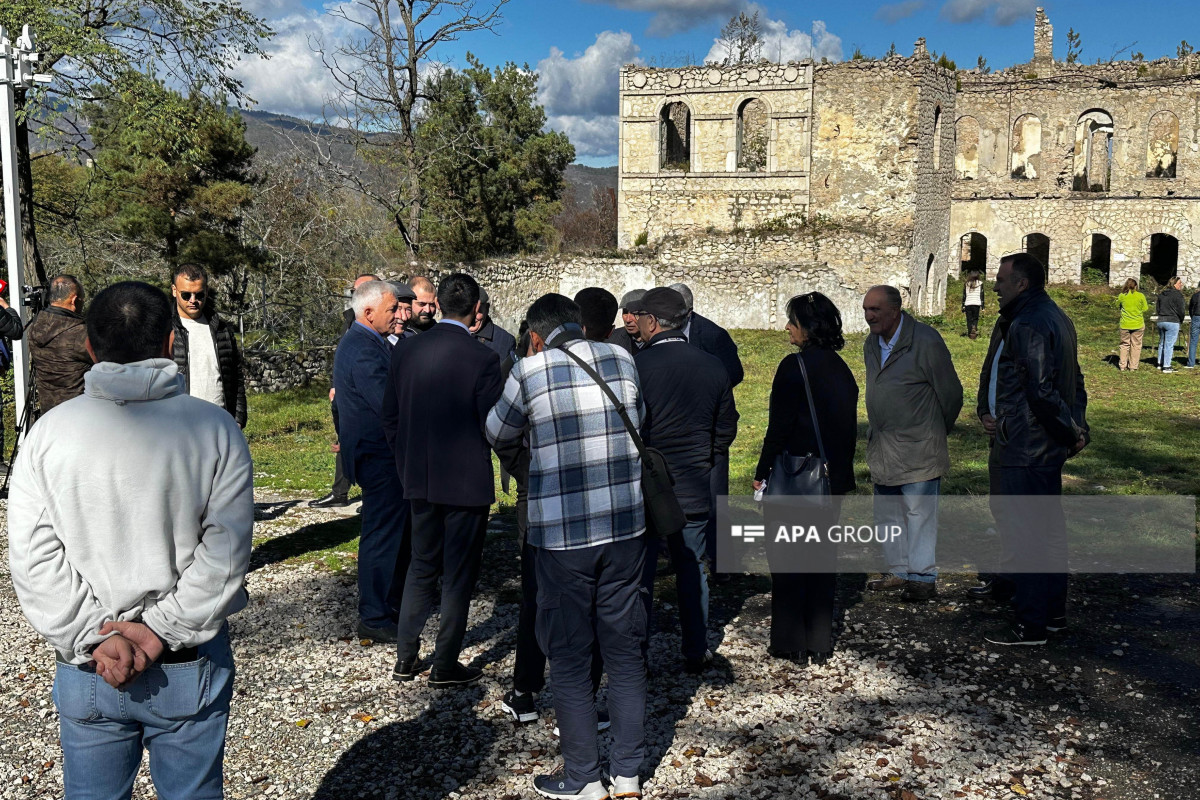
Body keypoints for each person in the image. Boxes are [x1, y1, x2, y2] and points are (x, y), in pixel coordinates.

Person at [8, 281, 254, 799]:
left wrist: (95, 634)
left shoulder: (48, 436)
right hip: (187, 660)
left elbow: (32, 558)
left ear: (91, 349)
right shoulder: (215, 430)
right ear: (170, 342)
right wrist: (158, 629)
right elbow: (225, 551)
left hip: (89, 667)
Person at [487, 293, 647, 800]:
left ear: (535, 336)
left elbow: (496, 430)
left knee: (571, 658)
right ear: (577, 325)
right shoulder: (622, 357)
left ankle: (582, 778)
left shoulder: (530, 372)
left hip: (562, 538)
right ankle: (627, 775)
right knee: (624, 655)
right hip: (627, 529)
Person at [385, 273, 503, 687]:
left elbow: (391, 416)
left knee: (421, 565)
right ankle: (445, 663)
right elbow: (494, 425)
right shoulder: (483, 359)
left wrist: (405, 462)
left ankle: (405, 656)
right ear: (475, 311)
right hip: (466, 481)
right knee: (457, 575)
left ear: (438, 303)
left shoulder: (406, 352)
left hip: (419, 475)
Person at [977, 252, 1088, 646]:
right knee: (1047, 532)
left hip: (1027, 445)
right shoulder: (1053, 315)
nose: (995, 286)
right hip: (1038, 443)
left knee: (1029, 536)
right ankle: (1051, 615)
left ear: (1022, 283)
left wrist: (1069, 430)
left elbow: (1041, 390)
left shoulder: (1029, 322)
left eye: (1002, 280)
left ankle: (1031, 624)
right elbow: (1073, 380)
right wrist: (1076, 427)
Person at [631, 287, 738, 673]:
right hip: (693, 482)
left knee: (639, 572)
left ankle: (636, 654)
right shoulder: (712, 365)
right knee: (692, 568)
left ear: (652, 322)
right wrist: (703, 457)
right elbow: (726, 428)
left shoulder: (636, 367)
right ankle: (695, 647)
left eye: (640, 317)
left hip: (646, 486)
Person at [753, 292, 858, 665]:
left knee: (787, 561)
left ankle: (789, 640)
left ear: (808, 328)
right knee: (820, 561)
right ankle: (818, 640)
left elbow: (777, 428)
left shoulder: (792, 367)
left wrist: (761, 471)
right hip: (832, 479)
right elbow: (847, 430)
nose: (787, 328)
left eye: (792, 321)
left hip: (796, 477)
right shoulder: (842, 369)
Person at [862, 285, 963, 602]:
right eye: (866, 309)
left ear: (895, 310)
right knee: (887, 513)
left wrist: (934, 430)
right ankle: (898, 570)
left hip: (919, 447)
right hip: (883, 446)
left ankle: (922, 577)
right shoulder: (871, 343)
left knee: (919, 515)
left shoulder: (926, 341)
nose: (869, 316)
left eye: (875, 309)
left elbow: (951, 394)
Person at [333, 281, 411, 643]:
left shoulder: (367, 342)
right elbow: (387, 403)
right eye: (392, 309)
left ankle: (386, 606)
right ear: (369, 313)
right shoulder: (363, 348)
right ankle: (375, 615)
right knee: (381, 535)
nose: (399, 314)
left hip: (379, 454)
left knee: (389, 532)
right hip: (378, 456)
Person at [668, 282, 744, 576]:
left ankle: (721, 562)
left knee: (715, 499)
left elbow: (734, 373)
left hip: (710, 426)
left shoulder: (712, 335)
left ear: (688, 311)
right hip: (676, 425)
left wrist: (706, 392)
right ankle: (679, 556)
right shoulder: (663, 334)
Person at [312, 273, 380, 509]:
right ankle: (340, 491)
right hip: (344, 391)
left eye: (362, 290)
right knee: (345, 439)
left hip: (364, 392)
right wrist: (335, 384)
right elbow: (342, 354)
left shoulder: (381, 322)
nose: (356, 295)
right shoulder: (350, 318)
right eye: (354, 291)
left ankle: (370, 493)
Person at [170, 263, 247, 427]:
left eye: (199, 295)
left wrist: (238, 419)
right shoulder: (164, 330)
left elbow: (235, 376)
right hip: (180, 425)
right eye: (186, 295)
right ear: (174, 291)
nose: (193, 301)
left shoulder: (221, 329)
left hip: (220, 422)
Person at [28, 274, 91, 415]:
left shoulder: (35, 326)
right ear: (74, 301)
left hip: (48, 413)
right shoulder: (79, 334)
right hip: (77, 414)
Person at [471, 286, 517, 361]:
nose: (473, 316)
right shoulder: (452, 334)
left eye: (479, 310)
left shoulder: (505, 342)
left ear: (487, 309)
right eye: (468, 311)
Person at [1116, 277, 1149, 372]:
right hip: (1137, 323)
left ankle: (1122, 365)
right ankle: (1133, 366)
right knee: (1136, 345)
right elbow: (1145, 308)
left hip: (1125, 324)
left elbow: (1117, 305)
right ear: (1136, 286)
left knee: (1124, 345)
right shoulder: (1140, 296)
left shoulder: (1122, 295)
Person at [1155, 275, 1185, 373]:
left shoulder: (1162, 294)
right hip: (1172, 320)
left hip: (1161, 320)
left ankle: (1160, 362)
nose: (1181, 285)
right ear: (1174, 284)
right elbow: (1181, 310)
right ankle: (1167, 366)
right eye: (1180, 283)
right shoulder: (1178, 295)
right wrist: (1181, 319)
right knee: (1169, 344)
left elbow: (1158, 308)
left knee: (1162, 343)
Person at [608, 289, 646, 355]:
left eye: (634, 313)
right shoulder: (611, 340)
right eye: (625, 312)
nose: (628, 320)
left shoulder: (662, 339)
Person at [387, 281, 417, 346]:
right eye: (398, 308)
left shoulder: (413, 340)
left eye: (408, 310)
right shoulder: (374, 343)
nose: (404, 317)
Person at [962, 270, 985, 339]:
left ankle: (970, 334)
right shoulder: (980, 283)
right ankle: (974, 327)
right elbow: (982, 295)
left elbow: (964, 295)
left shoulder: (966, 284)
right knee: (975, 318)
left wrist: (962, 306)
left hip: (968, 303)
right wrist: (983, 306)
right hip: (976, 303)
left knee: (969, 319)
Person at [1188, 283, 1200, 369]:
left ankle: (1191, 363)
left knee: (1193, 341)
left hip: (1196, 317)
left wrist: (1193, 317)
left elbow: (1190, 308)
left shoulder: (1195, 296)